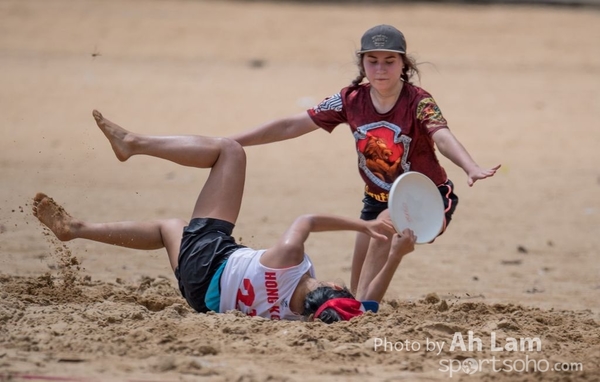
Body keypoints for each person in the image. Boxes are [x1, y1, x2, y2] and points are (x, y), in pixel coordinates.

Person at [32, 110, 417, 324]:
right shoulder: (302, 318)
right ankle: (76, 230)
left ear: (331, 286)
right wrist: (395, 257)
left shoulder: (290, 261)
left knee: (231, 152)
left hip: (214, 259)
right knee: (170, 229)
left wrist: (363, 225)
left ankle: (134, 144)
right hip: (202, 297)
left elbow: (308, 220)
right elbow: (368, 305)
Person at [228, 24, 501, 293]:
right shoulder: (349, 100)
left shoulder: (419, 101)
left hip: (427, 197)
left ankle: (363, 308)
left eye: (389, 61)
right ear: (362, 63)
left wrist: (470, 166)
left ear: (403, 63)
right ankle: (361, 308)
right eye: (373, 61)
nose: (380, 69)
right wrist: (233, 141)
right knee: (360, 285)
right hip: (375, 200)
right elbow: (291, 125)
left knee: (382, 231)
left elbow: (441, 135)